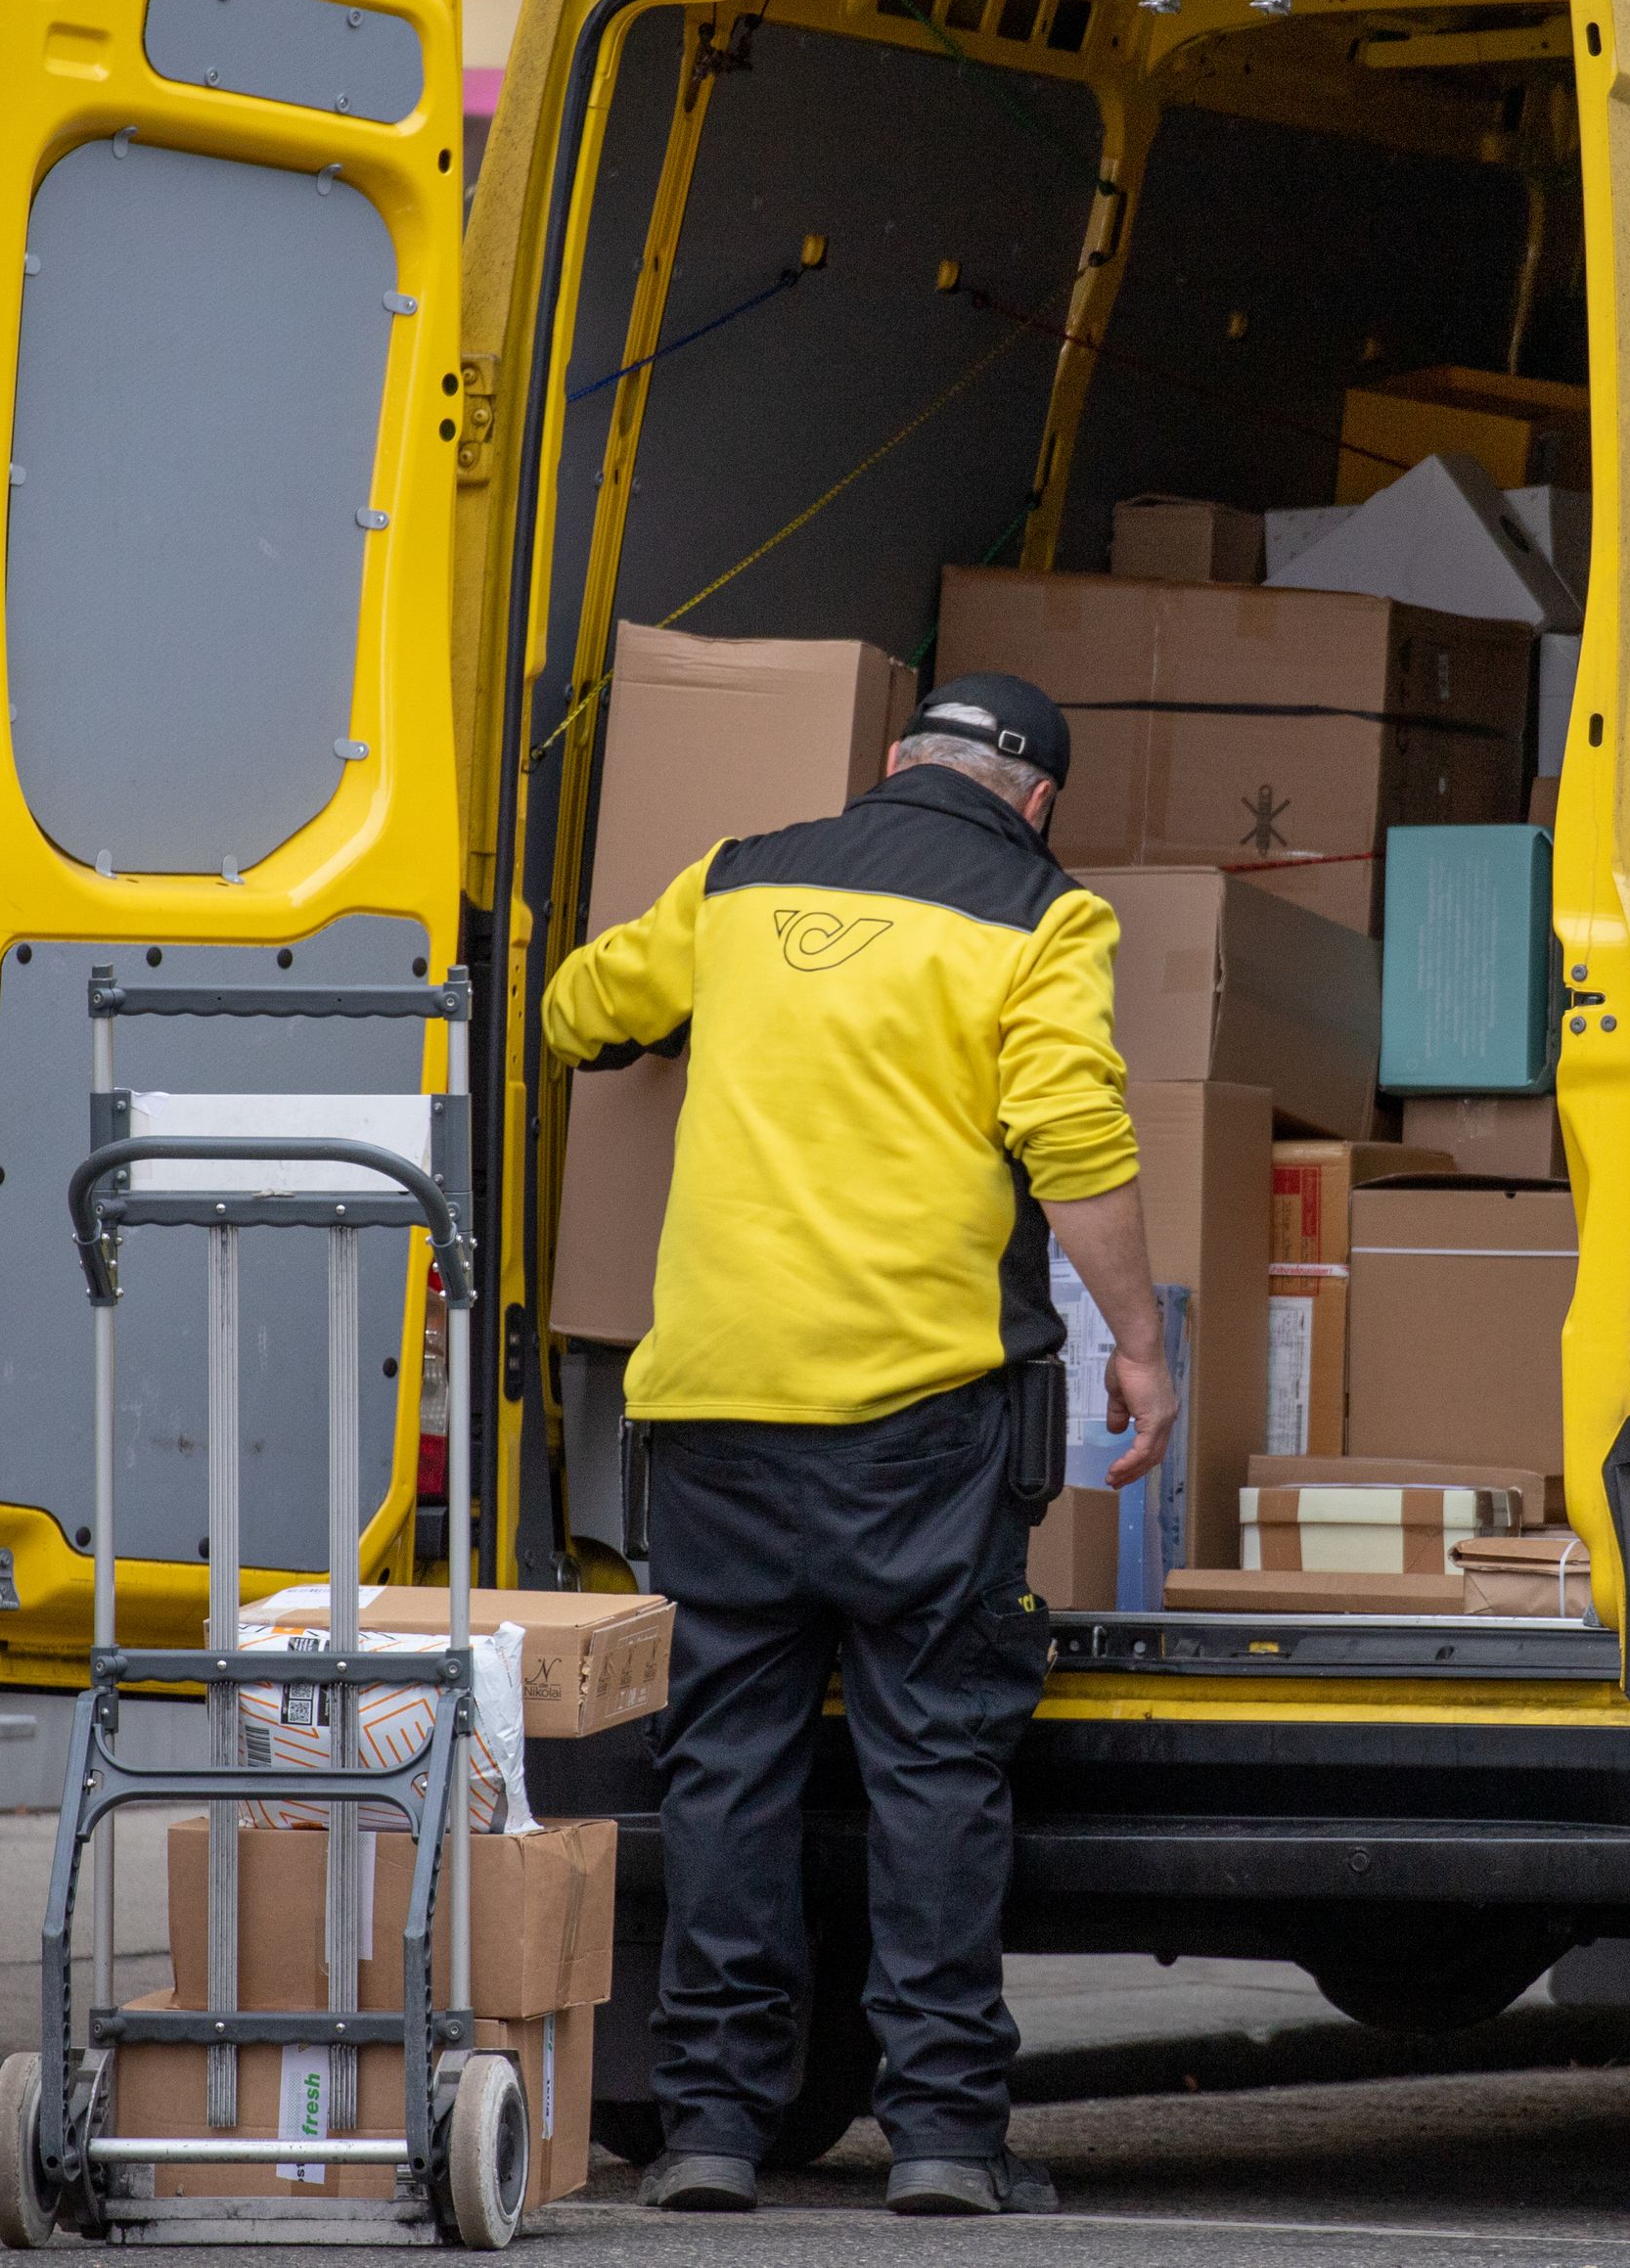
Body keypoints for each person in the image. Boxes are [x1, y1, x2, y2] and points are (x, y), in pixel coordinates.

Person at [540, 671, 1176, 2220]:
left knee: (727, 1768)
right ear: (1036, 802)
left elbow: (580, 1009)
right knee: (934, 1768)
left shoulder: (743, 875)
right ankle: (946, 2140)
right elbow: (1075, 1142)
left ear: (895, 763)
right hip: (919, 1428)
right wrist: (1142, 1349)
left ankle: (707, 2132)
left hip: (712, 1413)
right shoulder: (1046, 916)